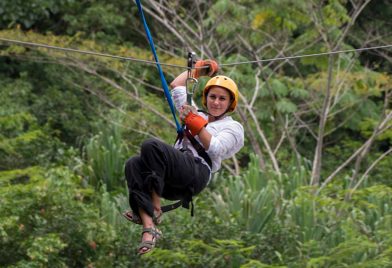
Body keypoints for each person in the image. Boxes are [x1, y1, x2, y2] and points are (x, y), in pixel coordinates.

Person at [123, 59, 244, 255]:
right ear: (206, 98)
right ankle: (149, 228)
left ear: (231, 103)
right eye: (213, 96)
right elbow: (177, 86)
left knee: (151, 145)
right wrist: (198, 71)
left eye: (222, 99)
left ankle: (155, 206)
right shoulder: (196, 113)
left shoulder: (233, 128)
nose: (216, 102)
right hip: (171, 179)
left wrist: (193, 121)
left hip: (196, 173)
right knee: (133, 164)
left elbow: (216, 148)